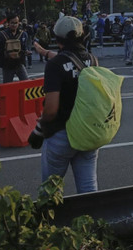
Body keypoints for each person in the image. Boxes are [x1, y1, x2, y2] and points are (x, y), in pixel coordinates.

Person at [34, 16, 100, 193]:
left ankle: (52, 220)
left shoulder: (55, 65)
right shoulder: (93, 60)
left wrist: (38, 131)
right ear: (82, 36)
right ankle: (91, 220)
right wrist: (45, 52)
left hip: (62, 134)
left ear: (57, 39)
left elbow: (50, 110)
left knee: (50, 191)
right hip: (87, 132)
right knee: (88, 188)